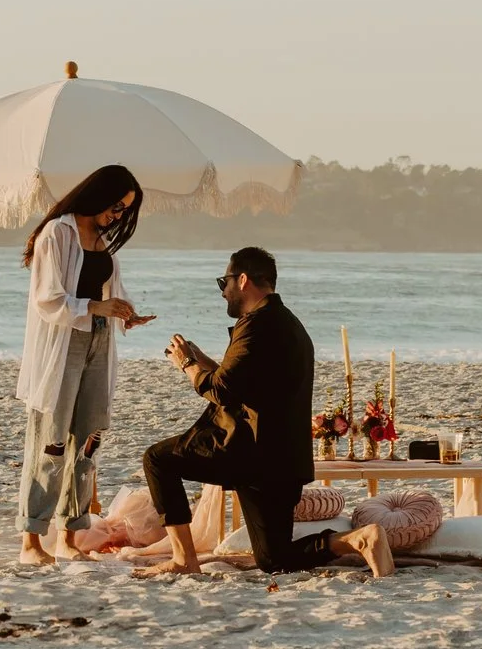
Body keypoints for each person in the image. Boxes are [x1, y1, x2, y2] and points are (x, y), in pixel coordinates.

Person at [137, 246, 394, 578]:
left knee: (158, 459)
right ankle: (360, 539)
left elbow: (221, 391)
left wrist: (185, 364)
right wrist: (202, 361)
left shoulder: (257, 326)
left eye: (224, 282)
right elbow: (244, 387)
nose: (223, 292)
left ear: (242, 280)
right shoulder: (287, 324)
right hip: (283, 461)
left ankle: (184, 559)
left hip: (252, 454)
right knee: (275, 559)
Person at [15, 164, 154, 565]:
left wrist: (125, 313)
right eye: (116, 206)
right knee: (52, 441)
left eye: (125, 210)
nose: (118, 215)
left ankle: (70, 537)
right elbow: (47, 298)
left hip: (100, 339)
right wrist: (94, 306)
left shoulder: (103, 238)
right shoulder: (58, 233)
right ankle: (31, 541)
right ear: (97, 196)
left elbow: (110, 290)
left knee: (89, 439)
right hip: (63, 344)